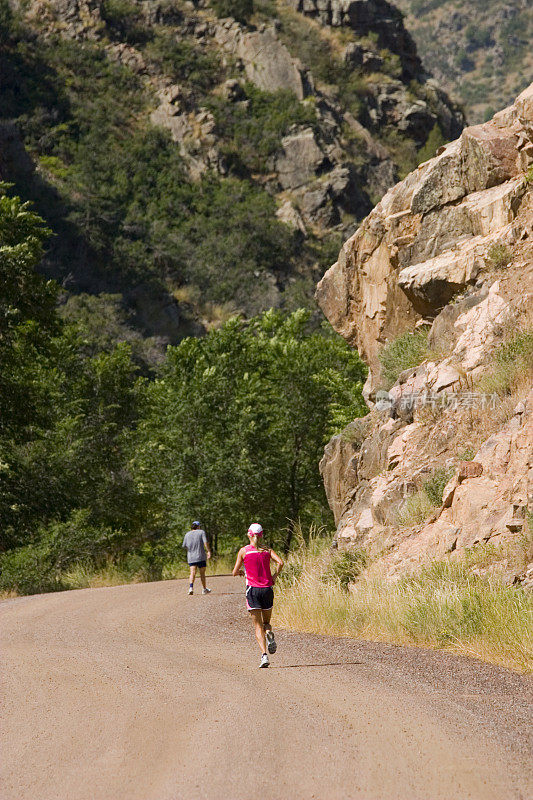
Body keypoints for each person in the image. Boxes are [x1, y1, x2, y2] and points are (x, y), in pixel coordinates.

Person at [232, 523, 284, 668]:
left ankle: (264, 656)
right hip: (267, 589)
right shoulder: (267, 550)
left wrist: (242, 572)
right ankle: (269, 633)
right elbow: (280, 562)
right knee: (266, 623)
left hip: (253, 591)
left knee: (257, 626)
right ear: (261, 535)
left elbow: (234, 572)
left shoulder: (244, 551)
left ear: (249, 534)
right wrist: (274, 576)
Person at [182, 521, 212, 595]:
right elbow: (205, 542)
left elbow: (184, 546)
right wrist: (208, 551)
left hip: (191, 557)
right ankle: (204, 589)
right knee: (202, 573)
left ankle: (191, 588)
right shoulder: (201, 532)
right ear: (198, 526)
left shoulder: (187, 534)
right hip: (201, 556)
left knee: (192, 572)